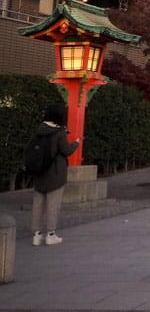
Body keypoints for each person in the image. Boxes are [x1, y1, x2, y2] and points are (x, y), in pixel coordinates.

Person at [29, 102, 79, 246]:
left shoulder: (38, 130)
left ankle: (36, 235)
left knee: (38, 204)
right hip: (55, 173)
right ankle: (50, 234)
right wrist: (76, 143)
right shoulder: (59, 133)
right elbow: (66, 150)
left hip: (39, 172)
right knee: (53, 204)